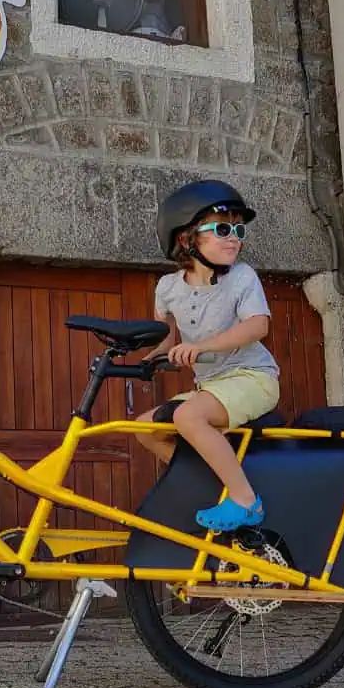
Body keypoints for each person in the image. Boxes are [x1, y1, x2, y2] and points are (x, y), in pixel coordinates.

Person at [136, 180, 280, 533]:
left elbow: (257, 326)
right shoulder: (168, 288)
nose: (234, 239)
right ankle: (214, 481)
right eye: (222, 230)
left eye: (239, 230)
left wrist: (202, 347)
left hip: (253, 379)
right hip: (212, 387)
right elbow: (167, 338)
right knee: (144, 428)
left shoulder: (242, 277)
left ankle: (246, 500)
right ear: (187, 238)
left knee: (188, 416)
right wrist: (150, 358)